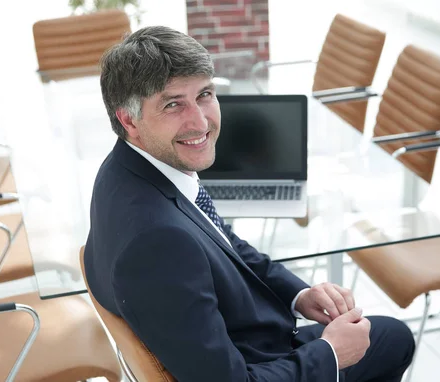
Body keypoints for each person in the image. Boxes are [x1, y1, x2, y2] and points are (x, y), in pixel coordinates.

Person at [84, 25, 415, 382]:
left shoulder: (129, 168)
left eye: (205, 94)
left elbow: (223, 242)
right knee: (394, 338)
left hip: (236, 333)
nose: (200, 122)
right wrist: (331, 354)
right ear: (129, 119)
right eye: (173, 104)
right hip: (256, 360)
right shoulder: (158, 242)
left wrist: (298, 294)